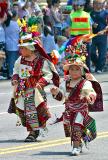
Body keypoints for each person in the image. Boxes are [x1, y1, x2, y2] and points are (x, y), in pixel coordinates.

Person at [50, 39, 103, 156]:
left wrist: (89, 96)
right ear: (68, 71)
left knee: (76, 125)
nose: (74, 71)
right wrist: (55, 92)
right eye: (72, 69)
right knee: (72, 127)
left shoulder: (85, 82)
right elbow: (61, 97)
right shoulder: (65, 83)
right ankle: (79, 142)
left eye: (77, 69)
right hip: (69, 110)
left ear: (82, 71)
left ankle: (76, 147)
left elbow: (91, 93)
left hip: (81, 109)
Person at [8, 33, 59, 142]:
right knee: (24, 112)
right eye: (20, 48)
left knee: (32, 110)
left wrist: (40, 83)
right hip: (22, 89)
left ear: (30, 48)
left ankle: (33, 132)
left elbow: (48, 74)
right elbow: (16, 70)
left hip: (35, 91)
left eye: (23, 48)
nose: (20, 50)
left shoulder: (41, 61)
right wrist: (15, 78)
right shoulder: (20, 60)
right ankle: (34, 130)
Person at [90, 0, 108, 73]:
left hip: (103, 35)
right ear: (93, 4)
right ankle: (98, 65)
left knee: (102, 54)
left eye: (100, 3)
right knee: (92, 52)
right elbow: (87, 23)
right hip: (92, 36)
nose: (98, 5)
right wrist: (92, 25)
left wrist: (103, 31)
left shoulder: (106, 13)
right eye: (97, 3)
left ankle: (99, 68)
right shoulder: (90, 14)